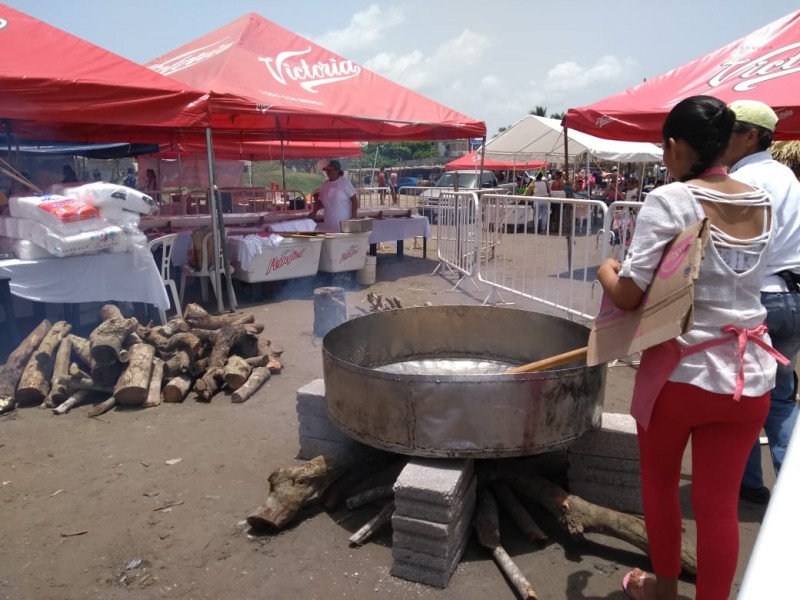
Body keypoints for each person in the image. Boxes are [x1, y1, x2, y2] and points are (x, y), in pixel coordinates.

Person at [597, 95, 786, 600]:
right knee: (719, 505)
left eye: (665, 147)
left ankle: (662, 590)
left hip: (681, 375)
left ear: (677, 146)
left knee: (660, 487)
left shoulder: (671, 199)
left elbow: (630, 292)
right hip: (749, 374)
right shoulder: (759, 201)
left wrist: (605, 270)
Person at [723, 100, 800, 505]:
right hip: (793, 297)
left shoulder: (746, 181)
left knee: (746, 397)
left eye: (728, 131)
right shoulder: (786, 175)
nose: (721, 141)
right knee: (781, 397)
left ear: (751, 135)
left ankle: (749, 484)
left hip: (762, 297)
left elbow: (736, 251)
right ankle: (789, 490)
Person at [310, 159, 358, 231]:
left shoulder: (344, 182)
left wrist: (353, 217)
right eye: (327, 170)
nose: (328, 172)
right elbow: (319, 202)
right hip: (329, 223)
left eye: (330, 170)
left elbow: (354, 199)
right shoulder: (325, 184)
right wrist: (314, 213)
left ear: (337, 171)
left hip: (344, 223)